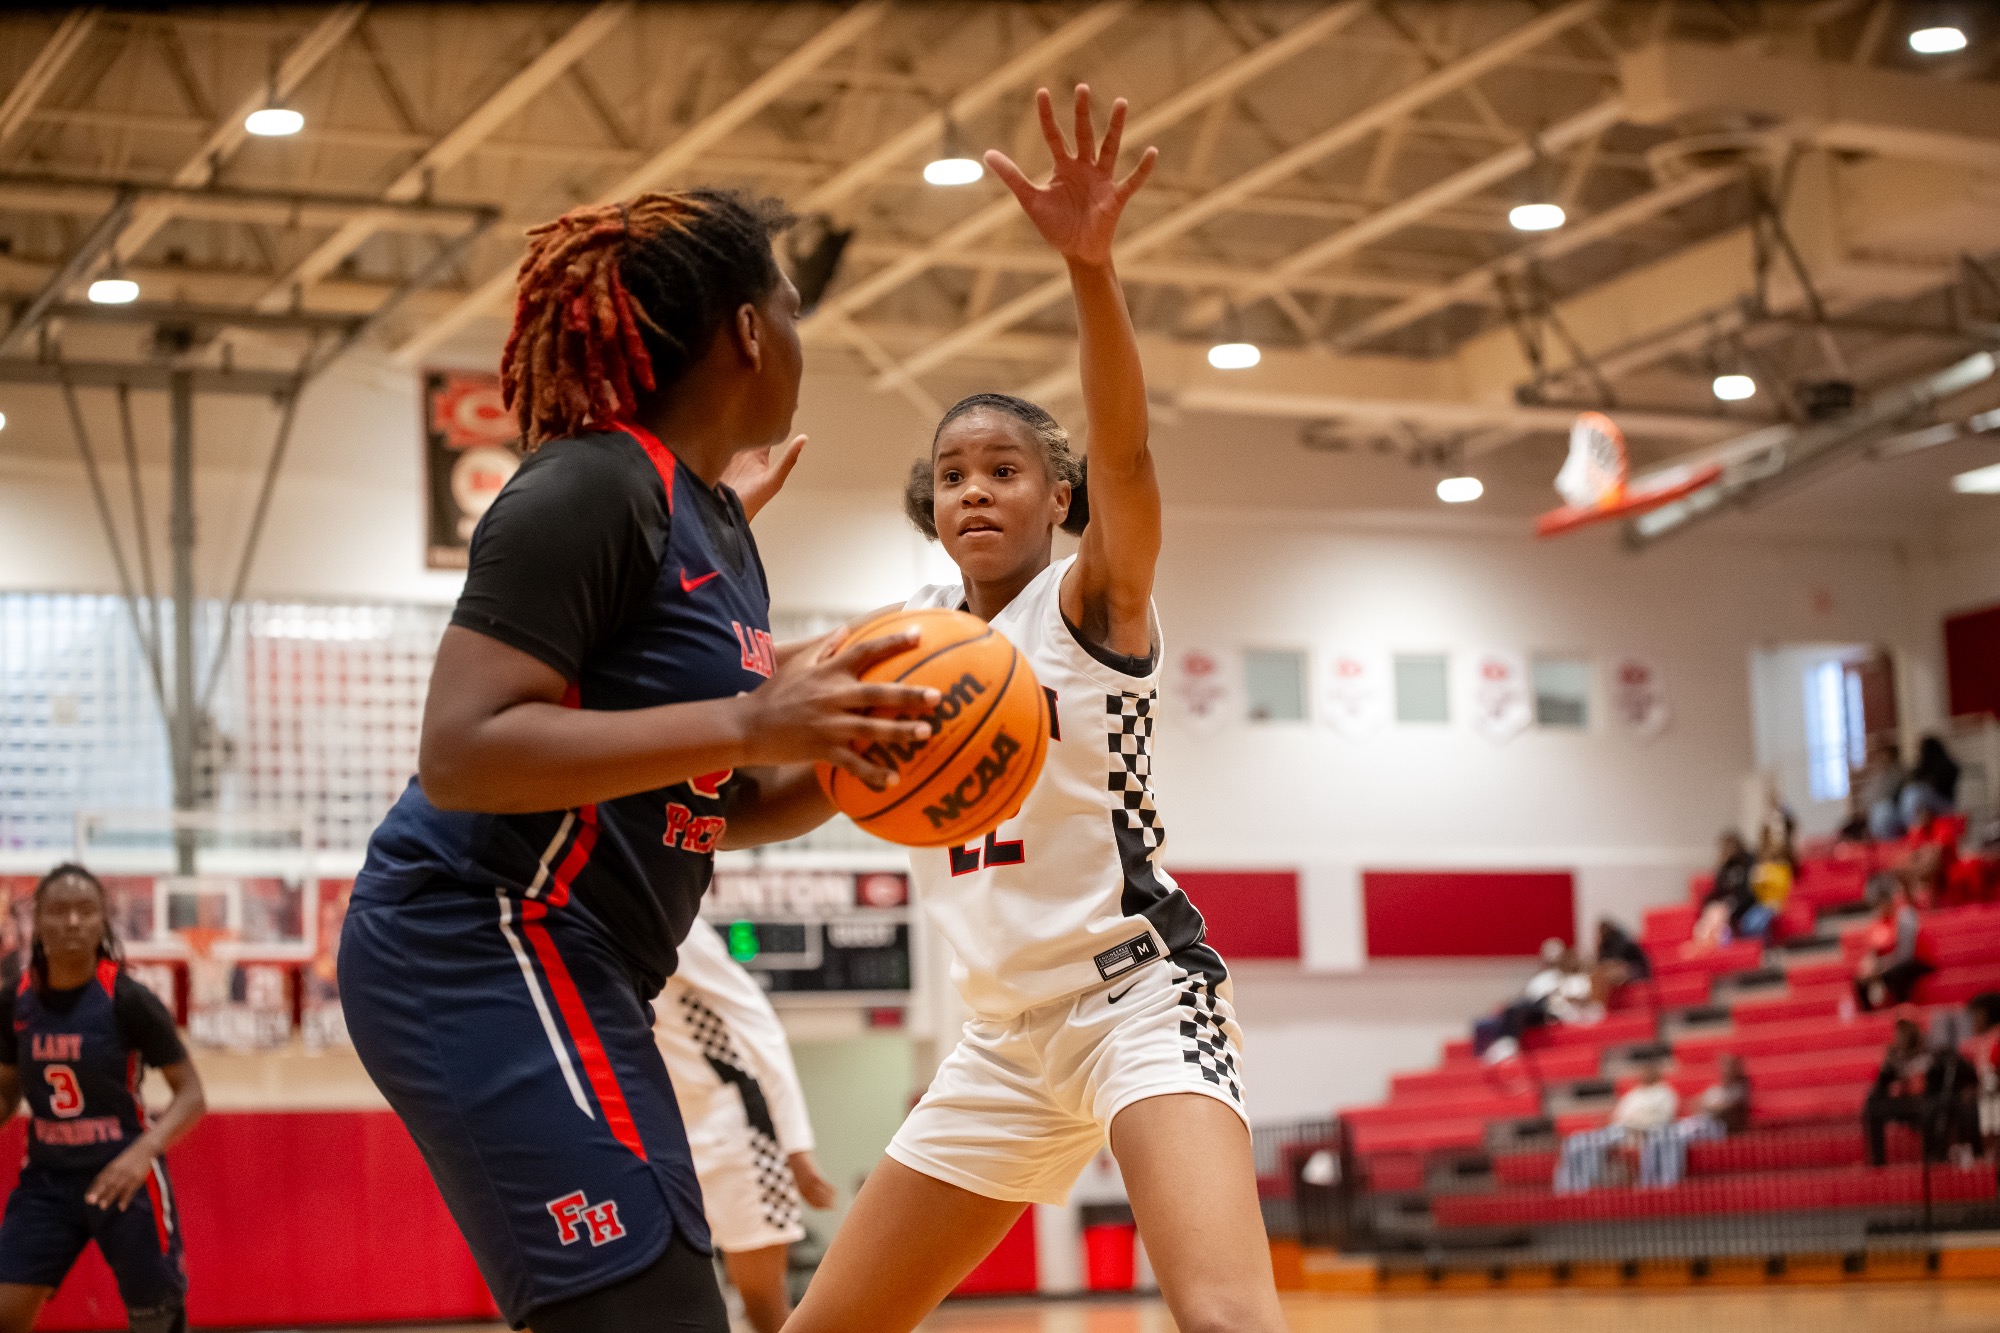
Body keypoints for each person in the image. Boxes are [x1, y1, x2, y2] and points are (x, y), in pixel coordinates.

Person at [338, 189, 943, 1333]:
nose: (801, 333)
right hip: (479, 933)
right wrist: (752, 724)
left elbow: (712, 802)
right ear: (749, 333)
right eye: (793, 305)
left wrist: (868, 752)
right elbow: (463, 754)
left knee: (664, 1296)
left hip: (586, 960)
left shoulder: (716, 526)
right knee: (649, 1305)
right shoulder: (586, 484)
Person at [780, 87, 1287, 1333]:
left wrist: (1089, 269)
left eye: (1004, 470)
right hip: (1000, 1038)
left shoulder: (1088, 604)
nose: (974, 491)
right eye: (952, 475)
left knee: (1222, 1319)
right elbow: (783, 792)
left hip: (1136, 998)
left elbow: (1126, 457)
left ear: (1056, 496)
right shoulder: (906, 652)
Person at [0, 865, 206, 1333]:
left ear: (101, 923)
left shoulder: (128, 999)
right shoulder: (15, 1001)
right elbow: (7, 1095)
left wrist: (141, 1155)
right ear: (38, 921)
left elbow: (191, 1096)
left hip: (124, 1175)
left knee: (156, 1316)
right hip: (47, 1181)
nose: (72, 922)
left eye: (84, 911)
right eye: (59, 911)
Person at [653, 919, 836, 1333]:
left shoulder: (674, 926)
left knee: (762, 1301)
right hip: (661, 1126)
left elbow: (759, 1025)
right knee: (665, 1289)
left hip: (736, 1126)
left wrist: (796, 1148)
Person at [1553, 1062, 1680, 1193]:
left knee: (1589, 1143)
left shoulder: (1665, 1093)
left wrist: (1635, 1124)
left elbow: (1664, 1119)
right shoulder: (1634, 1094)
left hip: (1636, 1133)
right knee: (1576, 1141)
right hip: (1617, 1130)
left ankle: (1587, 1186)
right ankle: (1569, 1186)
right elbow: (1617, 1116)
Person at [1861, 1019, 1968, 1166]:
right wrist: (1887, 1068)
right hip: (1904, 1104)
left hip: (1927, 1102)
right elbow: (1880, 1087)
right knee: (1872, 1107)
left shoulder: (1932, 1055)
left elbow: (1948, 1080)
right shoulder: (1894, 1058)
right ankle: (1877, 1162)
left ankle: (1933, 1158)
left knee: (1934, 1109)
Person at [1853, 877, 1933, 1012]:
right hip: (1889, 964)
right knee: (1860, 980)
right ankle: (1869, 1015)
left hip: (1917, 960)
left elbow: (1905, 954)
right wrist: (1867, 969)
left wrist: (1880, 969)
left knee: (1898, 972)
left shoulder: (1905, 917)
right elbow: (1873, 953)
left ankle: (1903, 1009)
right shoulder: (1878, 923)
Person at [1691, 831, 1762, 950]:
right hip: (1725, 908)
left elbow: (1750, 893)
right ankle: (1710, 948)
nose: (1725, 851)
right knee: (1709, 919)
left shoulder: (1748, 863)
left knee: (1753, 921)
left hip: (1746, 906)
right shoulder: (1724, 867)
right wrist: (1711, 905)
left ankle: (1732, 949)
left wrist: (1731, 907)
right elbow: (1718, 891)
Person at [1902, 735, 1962, 829]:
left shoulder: (1946, 766)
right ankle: (1913, 827)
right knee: (1910, 793)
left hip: (1945, 804)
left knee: (1914, 794)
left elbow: (1941, 786)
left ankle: (1913, 828)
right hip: (1927, 804)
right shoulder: (1921, 767)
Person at [1857, 738, 1908, 842]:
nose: (1882, 761)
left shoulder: (1900, 774)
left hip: (1894, 815)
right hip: (1874, 817)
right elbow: (1864, 803)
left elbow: (1895, 798)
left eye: (1885, 758)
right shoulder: (1876, 778)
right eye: (1880, 758)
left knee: (1882, 812)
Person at [1592, 917, 1651, 1000]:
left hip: (1637, 969)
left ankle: (1602, 1002)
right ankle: (1598, 1003)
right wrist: (1599, 946)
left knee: (1608, 975)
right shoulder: (1605, 941)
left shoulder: (1621, 938)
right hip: (1624, 968)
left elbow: (1616, 959)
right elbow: (1601, 961)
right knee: (1598, 975)